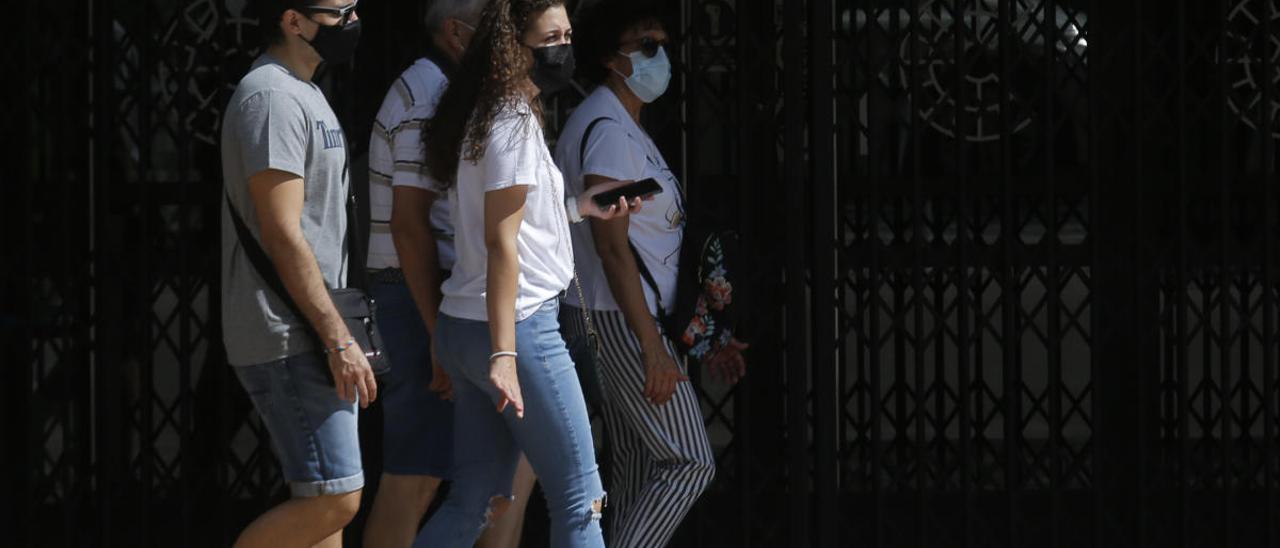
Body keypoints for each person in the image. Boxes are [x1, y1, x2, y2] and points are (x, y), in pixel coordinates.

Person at [410, 0, 643, 546]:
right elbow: (500, 241)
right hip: (517, 331)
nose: (565, 48)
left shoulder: (487, 113)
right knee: (581, 499)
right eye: (552, 38)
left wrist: (578, 208)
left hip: (465, 325)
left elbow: (506, 223)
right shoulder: (512, 119)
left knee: (475, 499)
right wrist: (505, 354)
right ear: (516, 48)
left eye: (568, 34)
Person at [554, 4, 747, 546]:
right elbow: (613, 249)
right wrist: (652, 347)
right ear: (609, 58)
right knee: (688, 462)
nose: (657, 55)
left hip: (626, 317)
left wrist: (699, 335)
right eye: (644, 44)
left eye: (660, 42)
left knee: (640, 469)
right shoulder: (610, 130)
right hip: (620, 319)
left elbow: (653, 247)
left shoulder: (621, 124)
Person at [362, 1, 536, 546]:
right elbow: (410, 226)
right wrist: (436, 329)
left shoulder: (443, 90)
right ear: (458, 33)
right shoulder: (429, 93)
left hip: (427, 292)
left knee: (462, 473)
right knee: (418, 473)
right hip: (415, 291)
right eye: (491, 22)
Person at [219, 1, 372, 547]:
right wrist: (336, 338)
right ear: (293, 20)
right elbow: (283, 231)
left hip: (312, 328)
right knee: (338, 499)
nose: (353, 21)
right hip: (291, 332)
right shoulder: (271, 98)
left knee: (321, 501)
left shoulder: (305, 90)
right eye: (340, 11)